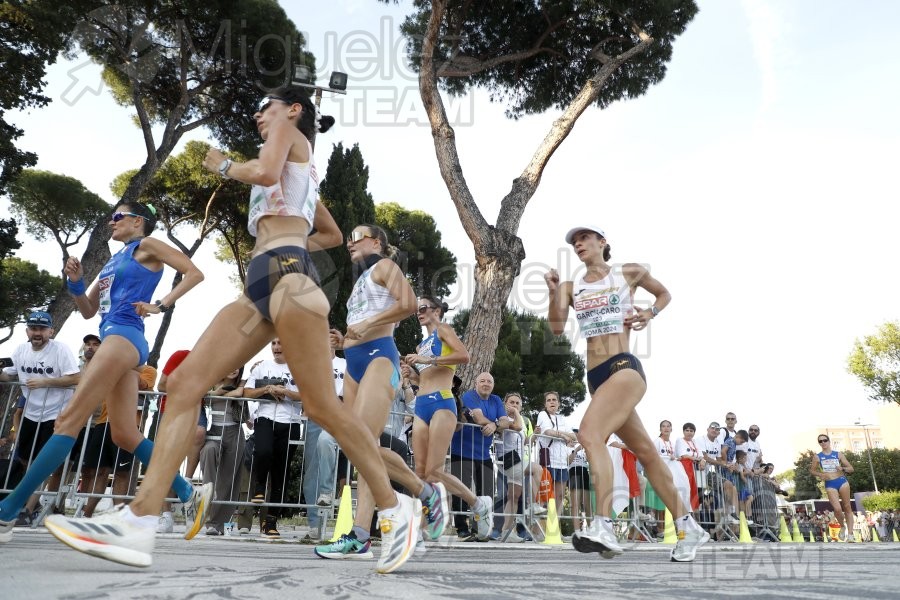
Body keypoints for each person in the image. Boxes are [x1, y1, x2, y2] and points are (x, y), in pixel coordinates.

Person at [45, 87, 421, 573]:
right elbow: (327, 232)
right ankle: (139, 522)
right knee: (183, 384)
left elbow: (263, 171)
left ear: (292, 109)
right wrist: (291, 220)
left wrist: (224, 165)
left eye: (263, 107)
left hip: (290, 278)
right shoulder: (298, 168)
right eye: (256, 111)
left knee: (323, 407)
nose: (258, 117)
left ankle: (395, 509)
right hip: (260, 287)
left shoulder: (287, 131)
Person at [3, 201, 206, 551]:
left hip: (124, 337)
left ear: (138, 221)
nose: (111, 222)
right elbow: (87, 311)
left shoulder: (147, 246)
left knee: (67, 420)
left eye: (117, 217)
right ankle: (189, 491)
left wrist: (161, 304)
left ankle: (8, 509)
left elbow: (194, 273)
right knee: (126, 434)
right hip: (115, 338)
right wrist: (76, 281)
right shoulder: (114, 260)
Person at [544, 225, 708, 562]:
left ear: (602, 243)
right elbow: (557, 327)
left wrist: (650, 313)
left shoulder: (627, 272)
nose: (578, 244)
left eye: (585, 238)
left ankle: (603, 524)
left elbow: (664, 294)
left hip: (624, 367)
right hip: (596, 379)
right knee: (647, 452)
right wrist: (553, 293)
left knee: (589, 435)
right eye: (574, 242)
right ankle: (688, 525)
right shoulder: (572, 287)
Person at [315, 224, 449, 559]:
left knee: (362, 444)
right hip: (354, 362)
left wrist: (366, 327)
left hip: (380, 358)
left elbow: (408, 305)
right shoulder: (360, 281)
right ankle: (425, 493)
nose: (349, 243)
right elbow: (359, 325)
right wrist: (343, 341)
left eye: (356, 237)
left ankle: (360, 535)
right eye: (349, 239)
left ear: (376, 242)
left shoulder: (386, 267)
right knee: (361, 448)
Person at [403, 296, 493, 542]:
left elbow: (464, 356)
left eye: (423, 308)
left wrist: (427, 360)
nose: (418, 312)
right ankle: (421, 528)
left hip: (442, 402)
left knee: (435, 470)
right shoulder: (422, 343)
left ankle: (477, 504)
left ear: (437, 310)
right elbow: (426, 376)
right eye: (416, 310)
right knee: (421, 472)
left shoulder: (444, 330)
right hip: (421, 404)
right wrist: (412, 373)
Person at [0, 311, 80, 525]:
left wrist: (46, 382)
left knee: (42, 464)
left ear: (50, 331)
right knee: (26, 460)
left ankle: (27, 509)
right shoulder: (20, 349)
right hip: (31, 414)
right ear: (27, 330)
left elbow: (76, 377)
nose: (37, 333)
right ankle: (27, 501)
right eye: (33, 328)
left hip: (55, 414)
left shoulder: (60, 349)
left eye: (42, 329)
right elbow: (10, 374)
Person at [242, 339, 303, 538]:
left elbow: (306, 394)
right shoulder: (262, 367)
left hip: (291, 422)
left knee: (280, 473)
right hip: (265, 417)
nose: (277, 347)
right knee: (263, 450)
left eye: (281, 343)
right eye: (274, 343)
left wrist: (285, 392)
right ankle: (259, 485)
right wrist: (267, 389)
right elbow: (248, 392)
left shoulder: (299, 368)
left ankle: (271, 522)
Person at [447, 370, 503, 541]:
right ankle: (462, 529)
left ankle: (479, 529)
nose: (486, 384)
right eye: (483, 381)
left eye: (489, 382)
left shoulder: (496, 400)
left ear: (493, 385)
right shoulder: (469, 396)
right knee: (461, 491)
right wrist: (495, 424)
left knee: (486, 493)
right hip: (462, 451)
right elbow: (478, 419)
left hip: (484, 454)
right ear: (476, 384)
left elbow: (507, 422)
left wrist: (495, 424)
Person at [198, 366, 245, 536]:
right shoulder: (211, 383)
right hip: (215, 430)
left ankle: (217, 524)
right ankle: (208, 495)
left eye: (238, 367)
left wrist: (218, 393)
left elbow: (239, 393)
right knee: (208, 452)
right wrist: (217, 391)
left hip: (234, 432)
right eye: (231, 364)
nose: (234, 369)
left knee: (228, 479)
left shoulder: (242, 383)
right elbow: (201, 396)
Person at [498, 392, 544, 542]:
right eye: (512, 402)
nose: (515, 405)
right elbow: (516, 427)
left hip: (517, 459)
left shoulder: (522, 421)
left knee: (513, 497)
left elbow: (525, 441)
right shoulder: (503, 417)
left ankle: (506, 532)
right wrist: (516, 413)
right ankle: (533, 505)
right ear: (505, 404)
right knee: (537, 469)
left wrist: (534, 435)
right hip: (507, 459)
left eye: (518, 403)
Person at [536, 391, 577, 515]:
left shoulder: (561, 418)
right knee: (545, 496)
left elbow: (574, 436)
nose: (552, 402)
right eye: (549, 400)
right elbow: (548, 432)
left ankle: (554, 528)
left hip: (562, 463)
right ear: (545, 404)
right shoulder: (542, 414)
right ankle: (538, 532)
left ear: (558, 403)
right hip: (548, 461)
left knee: (559, 497)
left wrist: (562, 435)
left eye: (554, 400)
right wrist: (564, 436)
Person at [810, 434, 855, 542]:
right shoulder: (817, 456)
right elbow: (812, 470)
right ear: (819, 443)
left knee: (847, 506)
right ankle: (842, 526)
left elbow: (851, 469)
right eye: (820, 441)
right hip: (830, 483)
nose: (823, 442)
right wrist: (820, 474)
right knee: (838, 509)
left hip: (841, 481)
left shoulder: (838, 454)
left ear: (829, 441)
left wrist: (842, 468)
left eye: (825, 440)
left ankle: (850, 534)